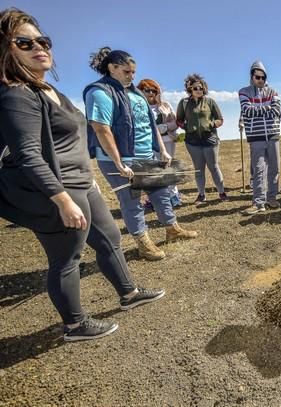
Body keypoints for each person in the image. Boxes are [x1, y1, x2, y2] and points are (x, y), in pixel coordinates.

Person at [0, 8, 165, 341]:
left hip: (81, 183)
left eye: (42, 40)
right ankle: (75, 325)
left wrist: (89, 179)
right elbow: (28, 154)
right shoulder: (17, 94)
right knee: (67, 256)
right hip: (57, 190)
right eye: (25, 43)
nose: (39, 47)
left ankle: (129, 293)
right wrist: (61, 199)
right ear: (6, 51)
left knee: (109, 239)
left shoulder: (49, 91)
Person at [84, 47, 198, 261]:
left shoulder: (136, 93)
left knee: (161, 192)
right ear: (112, 68)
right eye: (127, 72)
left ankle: (172, 229)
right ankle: (143, 243)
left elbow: (150, 123)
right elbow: (101, 128)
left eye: (133, 72)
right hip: (120, 160)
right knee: (131, 201)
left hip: (147, 155)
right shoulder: (99, 92)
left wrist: (161, 149)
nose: (132, 76)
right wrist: (118, 162)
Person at [176, 73, 228, 204]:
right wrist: (186, 127)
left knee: (214, 167)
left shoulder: (210, 101)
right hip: (192, 142)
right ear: (190, 89)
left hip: (210, 140)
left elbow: (220, 119)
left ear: (204, 88)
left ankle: (221, 192)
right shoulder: (184, 103)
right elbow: (179, 120)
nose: (198, 90)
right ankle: (201, 195)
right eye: (195, 88)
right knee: (199, 169)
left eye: (200, 88)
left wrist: (212, 124)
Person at [239, 60, 281, 215]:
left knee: (274, 169)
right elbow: (246, 110)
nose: (261, 80)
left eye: (263, 77)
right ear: (252, 77)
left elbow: (276, 111)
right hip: (255, 137)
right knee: (258, 170)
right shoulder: (244, 92)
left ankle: (272, 198)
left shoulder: (273, 92)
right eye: (258, 77)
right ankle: (258, 203)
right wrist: (266, 108)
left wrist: (258, 108)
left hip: (273, 135)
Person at [136, 78, 181, 207]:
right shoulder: (138, 107)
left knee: (168, 168)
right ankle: (155, 200)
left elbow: (175, 122)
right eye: (147, 90)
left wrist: (165, 127)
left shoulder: (165, 105)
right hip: (148, 143)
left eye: (154, 90)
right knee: (153, 171)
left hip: (167, 141)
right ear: (140, 91)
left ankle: (173, 196)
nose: (151, 93)